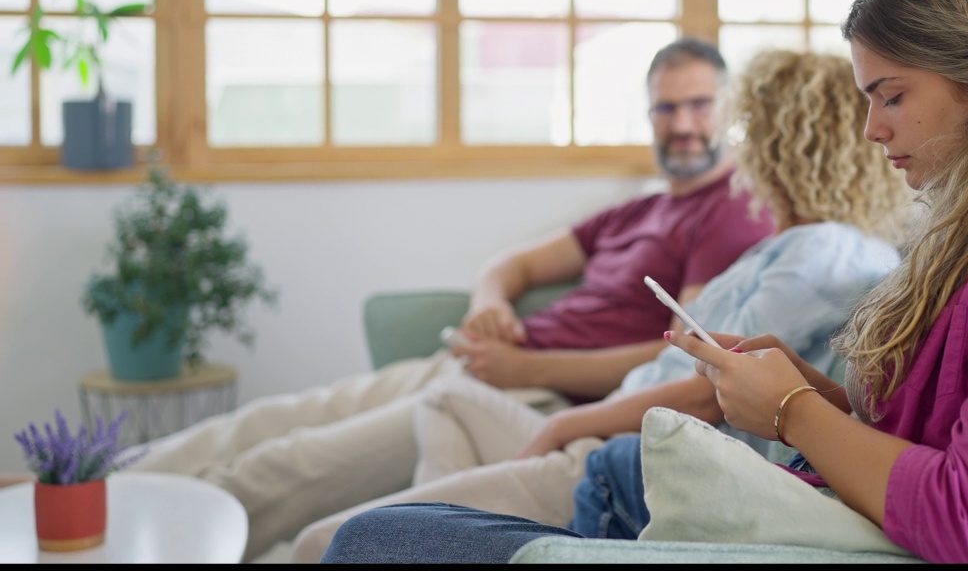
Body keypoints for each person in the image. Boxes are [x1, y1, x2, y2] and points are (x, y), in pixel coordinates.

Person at [317, 0, 968, 565]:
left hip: (802, 525)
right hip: (794, 505)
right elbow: (927, 441)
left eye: (891, 95)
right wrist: (805, 388)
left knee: (371, 540)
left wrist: (791, 415)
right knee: (384, 531)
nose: (871, 128)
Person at [126, 36, 776, 562]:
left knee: (287, 464)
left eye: (698, 105)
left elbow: (675, 352)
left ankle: (130, 534)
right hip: (479, 364)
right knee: (271, 419)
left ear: (728, 110)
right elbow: (512, 265)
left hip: (527, 393)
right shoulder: (638, 210)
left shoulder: (728, 216)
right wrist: (486, 306)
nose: (683, 124)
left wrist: (528, 370)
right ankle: (91, 483)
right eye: (666, 108)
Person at [288, 48, 912, 562]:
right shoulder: (783, 246)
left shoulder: (822, 253)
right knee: (445, 403)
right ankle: (442, 531)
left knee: (325, 542)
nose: (734, 147)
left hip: (622, 450)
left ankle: (438, 531)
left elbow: (712, 386)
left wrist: (567, 423)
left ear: (785, 146)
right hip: (607, 428)